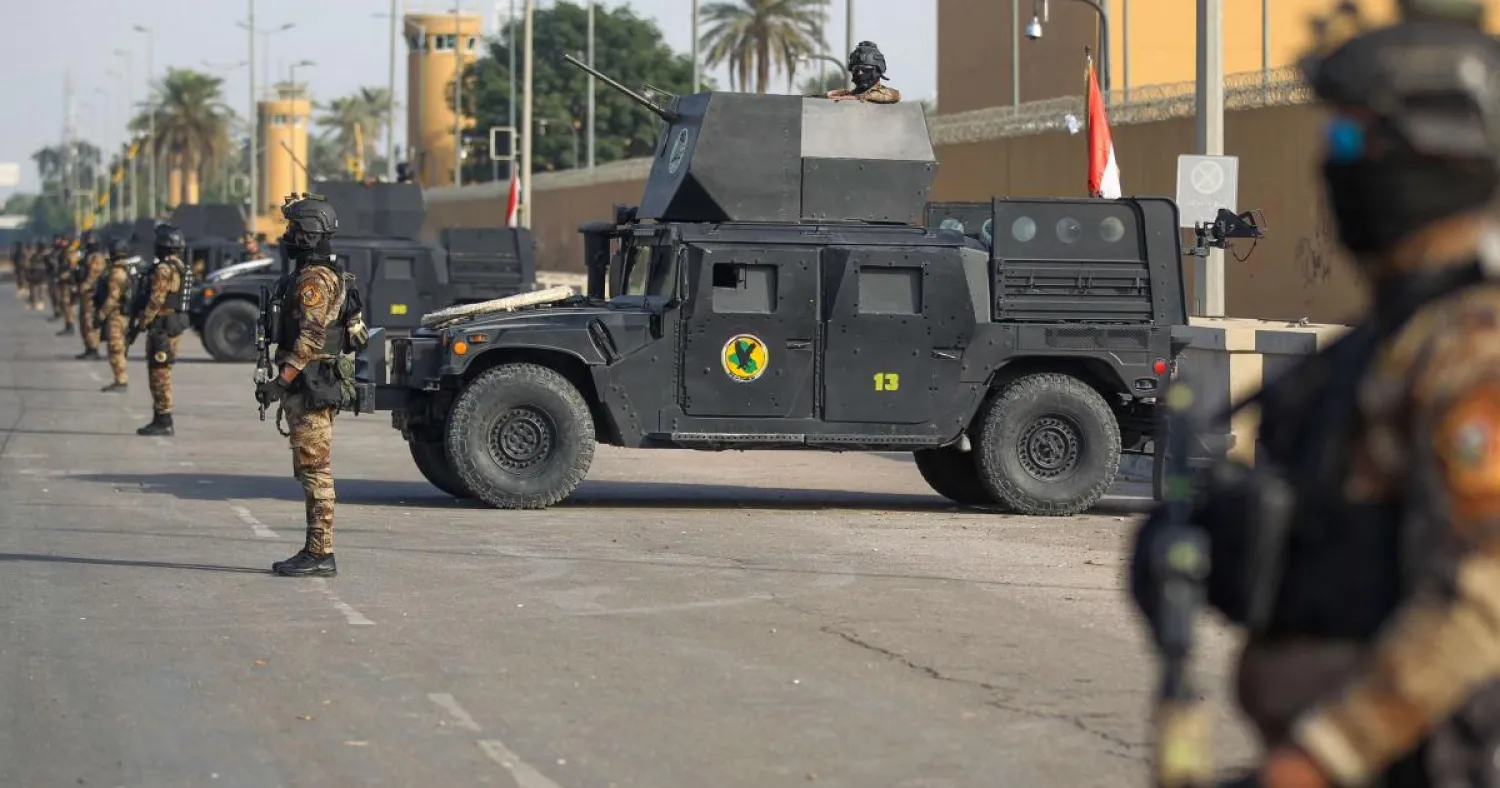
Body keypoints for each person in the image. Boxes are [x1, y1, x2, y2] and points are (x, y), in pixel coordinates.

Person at [1129, 2, 1500, 786]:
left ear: (1428, 150)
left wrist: (1316, 761)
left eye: (1346, 139)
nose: (1331, 166)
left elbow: (1484, 602)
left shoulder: (1475, 346)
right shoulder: (1402, 331)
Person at [255, 194, 367, 577]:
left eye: (293, 229)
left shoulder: (314, 280)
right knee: (308, 469)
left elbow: (310, 339)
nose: (287, 236)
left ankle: (321, 553)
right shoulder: (311, 274)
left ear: (309, 234)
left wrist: (278, 383)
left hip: (312, 383)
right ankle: (314, 549)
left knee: (316, 470)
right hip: (309, 383)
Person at [129, 224, 192, 436]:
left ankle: (164, 420)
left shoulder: (164, 269)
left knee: (159, 374)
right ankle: (160, 417)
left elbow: (156, 300)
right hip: (171, 325)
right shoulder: (180, 266)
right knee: (161, 371)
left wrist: (141, 323)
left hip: (162, 327)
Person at [96, 239, 134, 393]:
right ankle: (120, 379)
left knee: (115, 347)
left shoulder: (116, 272)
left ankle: (121, 380)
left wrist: (101, 314)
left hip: (117, 315)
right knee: (118, 346)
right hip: (123, 314)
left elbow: (113, 297)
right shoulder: (126, 269)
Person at [827, 41, 901, 104]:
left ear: (878, 70)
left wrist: (858, 97)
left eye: (865, 70)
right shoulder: (849, 95)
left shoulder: (887, 95)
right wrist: (829, 95)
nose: (859, 73)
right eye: (855, 70)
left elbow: (896, 95)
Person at [74, 232, 107, 360]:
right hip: (85, 294)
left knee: (90, 322)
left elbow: (94, 275)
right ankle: (88, 347)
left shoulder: (97, 257)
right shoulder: (86, 256)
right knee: (83, 322)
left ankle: (93, 348)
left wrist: (83, 287)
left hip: (92, 294)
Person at [53, 233, 78, 336]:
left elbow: (73, 268)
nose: (60, 242)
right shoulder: (62, 252)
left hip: (69, 282)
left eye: (63, 240)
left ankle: (70, 325)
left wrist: (65, 275)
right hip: (63, 282)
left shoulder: (71, 252)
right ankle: (68, 324)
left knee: (67, 304)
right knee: (64, 304)